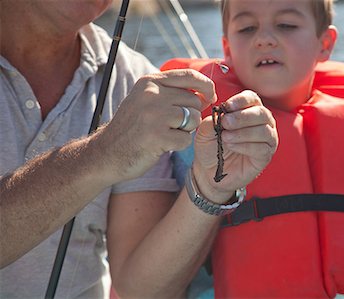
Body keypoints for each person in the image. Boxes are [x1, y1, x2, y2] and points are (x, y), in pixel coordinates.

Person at [161, 0, 344, 298]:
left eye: (286, 25)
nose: (264, 38)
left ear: (325, 43)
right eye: (247, 28)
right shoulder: (203, 141)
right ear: (228, 49)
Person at [0, 1, 278, 298]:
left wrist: (211, 185)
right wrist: (103, 153)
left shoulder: (135, 81)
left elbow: (140, 291)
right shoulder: (140, 96)